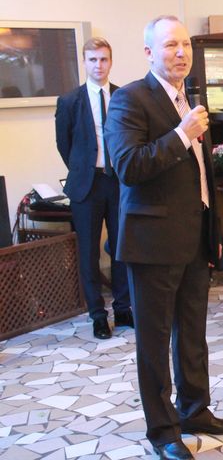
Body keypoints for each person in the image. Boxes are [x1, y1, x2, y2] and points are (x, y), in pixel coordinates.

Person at [105, 16, 223, 460]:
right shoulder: (130, 99)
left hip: (194, 237)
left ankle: (195, 410)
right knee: (154, 342)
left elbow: (200, 177)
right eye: (170, 45)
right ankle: (163, 431)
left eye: (185, 44)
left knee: (192, 335)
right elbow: (128, 166)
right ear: (149, 53)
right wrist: (182, 134)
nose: (181, 52)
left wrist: (213, 231)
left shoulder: (190, 99)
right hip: (152, 242)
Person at [55, 37, 132, 340]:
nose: (98, 65)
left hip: (119, 183)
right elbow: (64, 145)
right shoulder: (69, 101)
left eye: (103, 59)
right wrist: (84, 168)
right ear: (84, 62)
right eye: (93, 60)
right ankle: (98, 315)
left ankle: (123, 308)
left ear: (110, 62)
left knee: (121, 247)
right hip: (87, 185)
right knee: (88, 253)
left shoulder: (123, 96)